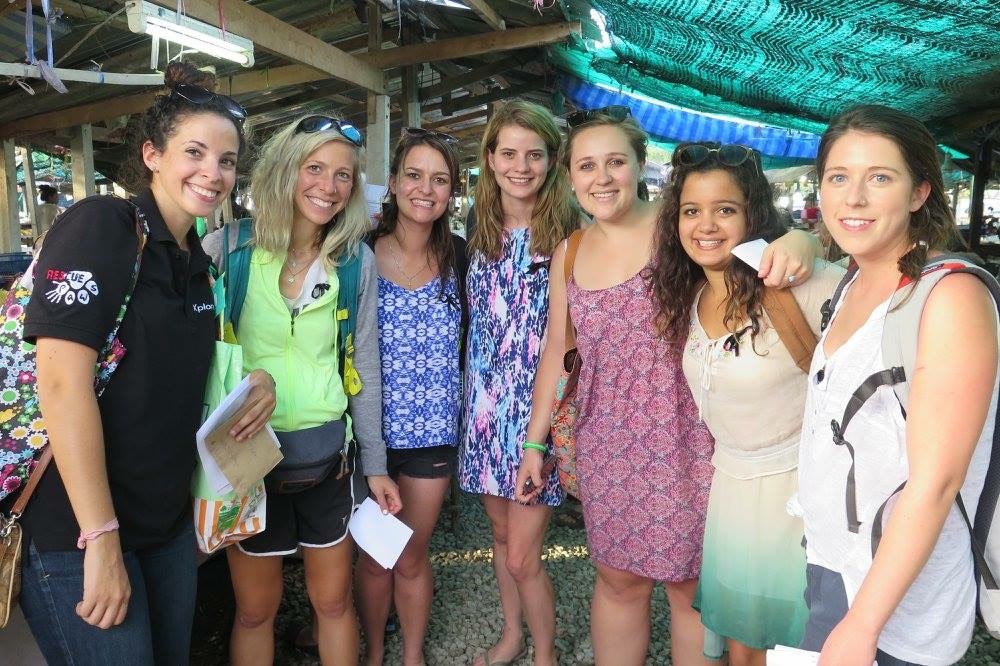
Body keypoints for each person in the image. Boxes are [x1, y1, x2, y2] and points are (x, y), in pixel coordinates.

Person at [516, 107, 821, 665]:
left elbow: (757, 238)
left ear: (640, 164)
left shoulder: (679, 229)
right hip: (607, 444)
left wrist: (803, 241)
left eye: (615, 161)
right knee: (617, 580)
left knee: (690, 588)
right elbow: (556, 353)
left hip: (690, 439)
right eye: (586, 165)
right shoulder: (571, 252)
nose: (602, 178)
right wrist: (534, 443)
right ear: (569, 175)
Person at [17, 62, 274, 665]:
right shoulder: (104, 226)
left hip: (164, 525)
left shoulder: (198, 263)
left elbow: (181, 376)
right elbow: (61, 382)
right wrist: (100, 539)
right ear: (152, 155)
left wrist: (256, 382)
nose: (213, 172)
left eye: (227, 160)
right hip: (77, 528)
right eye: (195, 152)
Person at [796, 104, 999, 666]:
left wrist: (862, 625)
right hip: (835, 561)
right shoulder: (854, 280)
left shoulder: (950, 297)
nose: (854, 198)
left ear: (919, 193)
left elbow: (936, 481)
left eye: (880, 178)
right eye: (839, 177)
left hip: (897, 600)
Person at [202, 114, 401, 666]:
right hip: (247, 461)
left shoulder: (355, 262)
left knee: (333, 604)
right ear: (285, 170)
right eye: (314, 168)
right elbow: (194, 352)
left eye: (343, 175)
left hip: (325, 461)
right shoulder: (227, 250)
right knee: (254, 612)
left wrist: (376, 466)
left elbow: (363, 366)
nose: (328, 186)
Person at [651, 141, 846, 665]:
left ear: (752, 216)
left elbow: (879, 296)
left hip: (800, 499)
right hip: (732, 496)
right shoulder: (690, 294)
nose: (705, 225)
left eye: (725, 210)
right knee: (743, 650)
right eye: (691, 211)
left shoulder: (797, 285)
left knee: (801, 648)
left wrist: (807, 242)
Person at [459, 100, 578, 666]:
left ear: (552, 161)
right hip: (485, 409)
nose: (521, 167)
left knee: (522, 556)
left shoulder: (570, 235)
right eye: (509, 153)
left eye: (534, 155)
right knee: (502, 538)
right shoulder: (476, 230)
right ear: (490, 157)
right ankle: (512, 636)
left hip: (539, 413)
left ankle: (545, 654)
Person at [354, 128, 467, 666]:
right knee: (374, 557)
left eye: (439, 180)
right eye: (415, 176)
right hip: (369, 438)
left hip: (432, 437)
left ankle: (413, 656)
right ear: (394, 183)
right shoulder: (359, 254)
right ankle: (375, 653)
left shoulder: (462, 258)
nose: (426, 189)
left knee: (411, 555)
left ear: (452, 191)